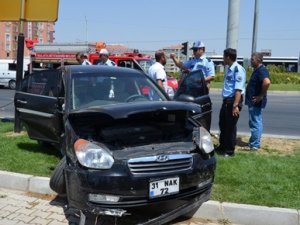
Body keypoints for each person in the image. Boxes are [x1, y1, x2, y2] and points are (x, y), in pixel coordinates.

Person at [215, 48, 246, 157]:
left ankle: (229, 151)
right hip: (227, 101)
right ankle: (222, 146)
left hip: (233, 101)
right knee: (222, 124)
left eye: (224, 56)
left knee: (230, 127)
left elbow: (238, 89)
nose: (223, 59)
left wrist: (235, 106)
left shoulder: (238, 69)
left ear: (228, 57)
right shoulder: (230, 69)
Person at [244, 52, 271, 151]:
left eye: (252, 59)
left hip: (256, 101)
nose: (251, 61)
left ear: (258, 60)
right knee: (254, 122)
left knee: (255, 122)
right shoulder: (257, 70)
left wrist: (261, 96)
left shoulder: (261, 70)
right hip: (253, 101)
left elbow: (267, 82)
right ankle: (253, 142)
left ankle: (255, 145)